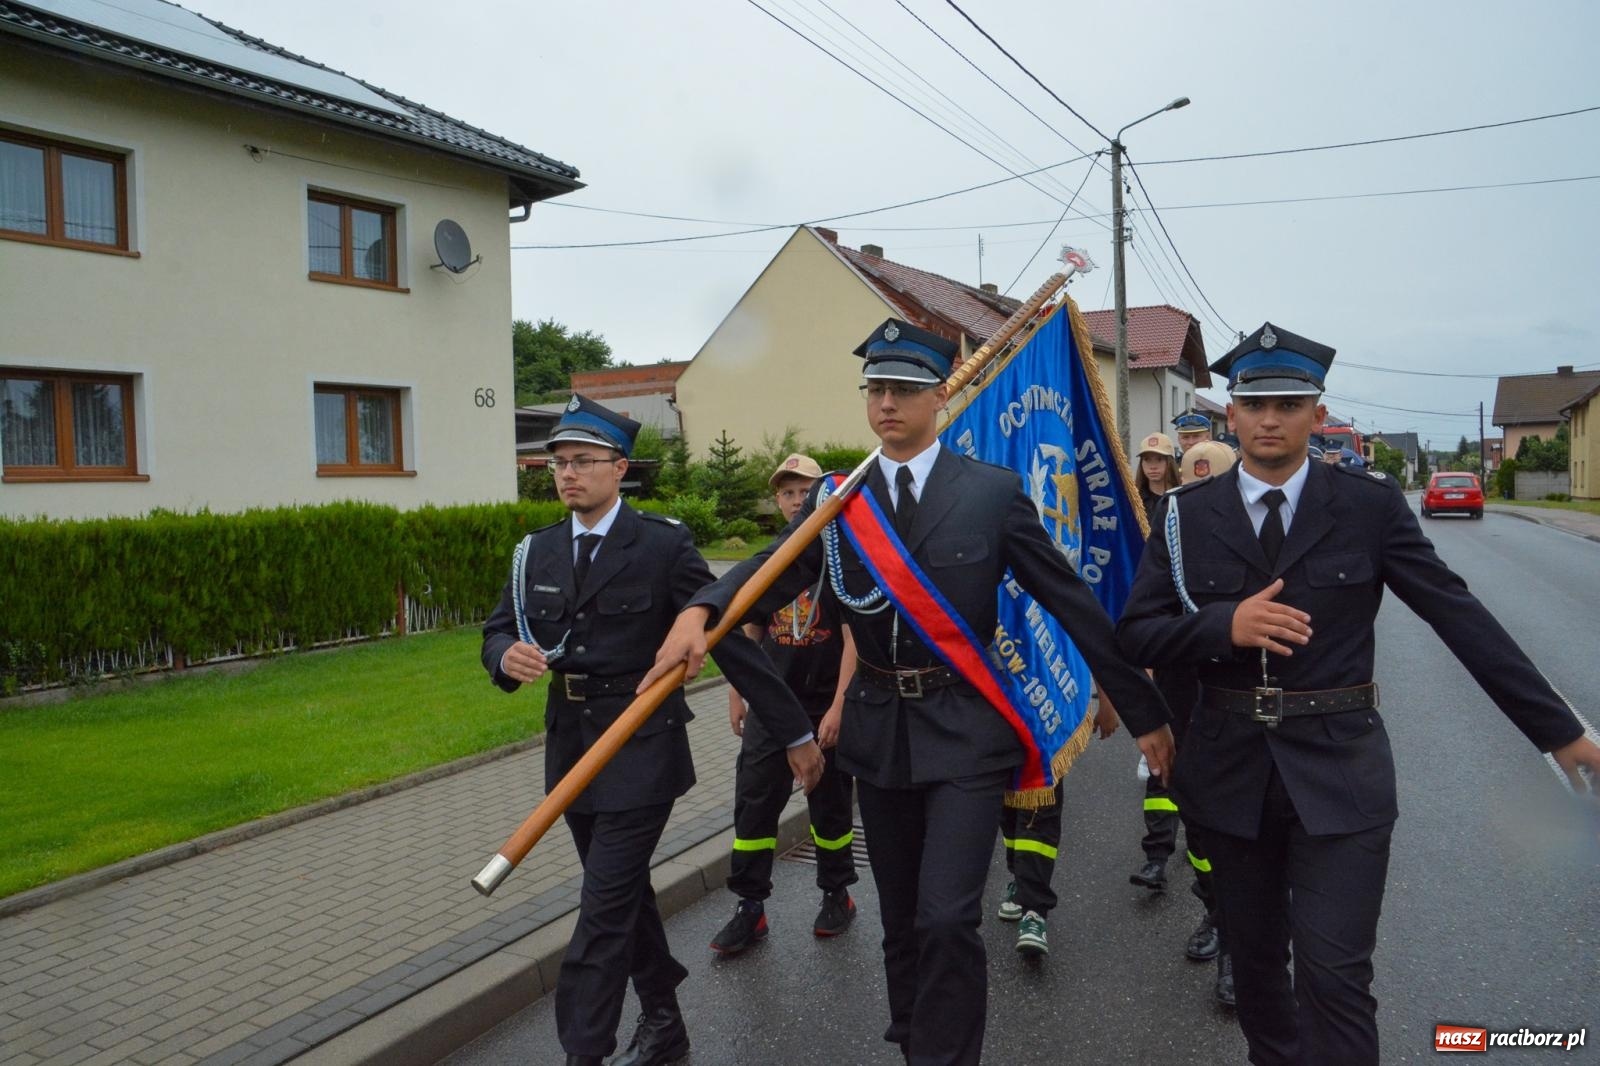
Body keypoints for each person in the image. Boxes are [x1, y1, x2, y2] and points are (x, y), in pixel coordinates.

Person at [643, 318, 1175, 1066]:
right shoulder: (838, 502)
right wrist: (702, 611)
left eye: (904, 389)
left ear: (939, 398)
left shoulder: (990, 494)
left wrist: (1142, 707)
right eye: (876, 390)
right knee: (900, 918)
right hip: (879, 732)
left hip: (965, 727)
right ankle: (917, 1042)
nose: (887, 403)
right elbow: (766, 571)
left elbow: (1071, 601)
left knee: (949, 916)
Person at [1117, 322, 1600, 1065]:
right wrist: (1225, 625)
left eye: (1289, 402)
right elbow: (1138, 633)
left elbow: (1457, 613)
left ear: (1316, 411)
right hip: (1231, 772)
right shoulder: (1186, 516)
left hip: (1339, 771)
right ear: (1232, 414)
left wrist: (1557, 729)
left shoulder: (1368, 507)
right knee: (1256, 974)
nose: (1270, 419)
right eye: (1254, 403)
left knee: (1335, 974)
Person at [481, 395, 824, 1066]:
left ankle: (584, 1051)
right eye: (558, 462)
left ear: (620, 468)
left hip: (641, 748)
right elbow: (497, 628)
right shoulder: (538, 552)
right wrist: (503, 656)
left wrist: (792, 733)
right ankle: (665, 1020)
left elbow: (727, 638)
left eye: (583, 460)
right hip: (571, 748)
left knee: (602, 905)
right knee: (626, 894)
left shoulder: (663, 545)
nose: (568, 473)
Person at [712, 453, 860, 955]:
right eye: (788, 493)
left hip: (826, 706)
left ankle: (836, 893)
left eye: (805, 492)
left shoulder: (836, 563)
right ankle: (749, 908)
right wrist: (737, 691)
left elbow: (855, 642)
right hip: (773, 707)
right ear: (777, 501)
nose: (797, 501)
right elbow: (748, 633)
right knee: (754, 806)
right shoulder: (768, 564)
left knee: (830, 804)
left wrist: (841, 706)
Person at [1132, 433, 1238, 1005]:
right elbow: (1140, 624)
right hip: (1184, 705)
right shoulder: (1167, 540)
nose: (1199, 497)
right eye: (1191, 485)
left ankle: (1239, 950)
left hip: (1247, 720)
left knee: (1245, 836)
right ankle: (1216, 912)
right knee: (1197, 824)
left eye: (1210, 486)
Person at [1135, 431, 1181, 517]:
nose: (1153, 466)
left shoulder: (1182, 497)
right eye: (1147, 460)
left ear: (1170, 462)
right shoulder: (1134, 501)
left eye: (1159, 459)